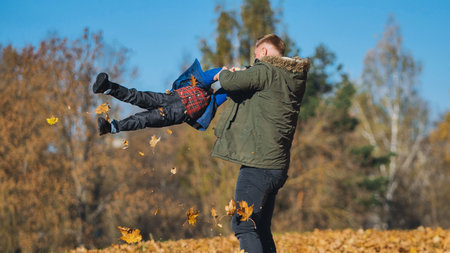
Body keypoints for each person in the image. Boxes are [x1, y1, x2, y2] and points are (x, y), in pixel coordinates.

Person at [212, 34, 310, 253]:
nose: (255, 60)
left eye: (256, 56)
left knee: (244, 225)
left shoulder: (266, 70)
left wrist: (223, 73)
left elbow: (231, 82)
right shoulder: (293, 77)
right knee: (261, 228)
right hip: (277, 166)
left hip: (259, 164)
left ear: (264, 52)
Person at [92, 59, 227, 135]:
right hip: (169, 98)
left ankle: (111, 127)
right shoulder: (200, 83)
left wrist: (240, 79)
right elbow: (216, 75)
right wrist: (230, 72)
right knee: (137, 96)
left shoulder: (212, 101)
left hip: (175, 114)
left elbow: (228, 90)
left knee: (143, 119)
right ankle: (108, 87)